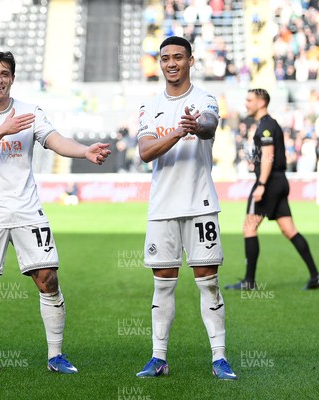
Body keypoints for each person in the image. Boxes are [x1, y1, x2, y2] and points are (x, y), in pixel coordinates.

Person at [0, 51, 110, 375]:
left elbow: (54, 140)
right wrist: (2, 130)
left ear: (12, 78)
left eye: (5, 73)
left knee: (48, 279)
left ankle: (55, 356)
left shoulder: (30, 112)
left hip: (27, 209)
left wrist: (83, 151)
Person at [135, 36, 237, 380]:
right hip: (162, 207)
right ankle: (159, 358)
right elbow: (146, 152)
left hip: (200, 203)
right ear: (160, 63)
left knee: (208, 282)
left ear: (191, 61)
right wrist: (180, 132)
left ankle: (219, 358)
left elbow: (209, 126)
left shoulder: (205, 98)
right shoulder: (149, 106)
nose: (172, 63)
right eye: (165, 58)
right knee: (163, 284)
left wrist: (198, 127)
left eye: (179, 57)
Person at [225, 88, 318, 291]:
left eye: (249, 100)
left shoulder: (266, 126)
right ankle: (315, 276)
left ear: (261, 102)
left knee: (249, 227)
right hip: (279, 181)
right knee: (289, 229)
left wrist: (261, 184)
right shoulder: (268, 124)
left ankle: (249, 282)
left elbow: (268, 155)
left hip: (269, 183)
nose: (246, 103)